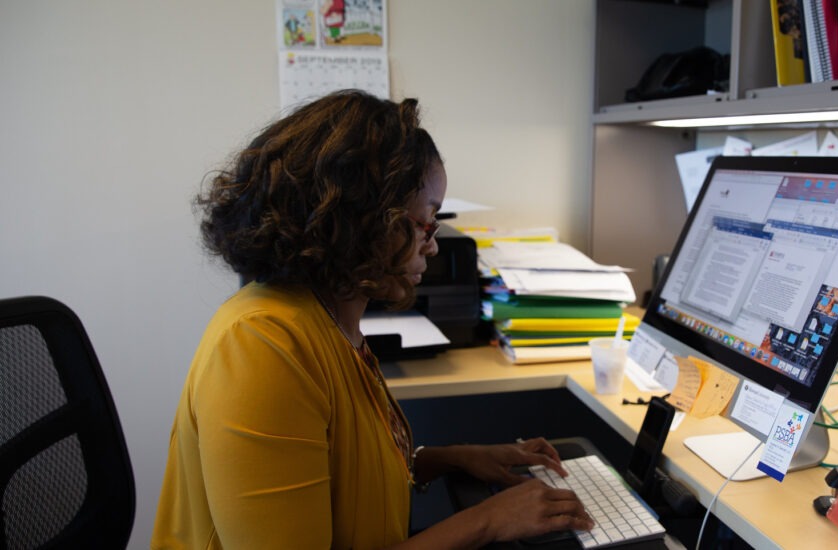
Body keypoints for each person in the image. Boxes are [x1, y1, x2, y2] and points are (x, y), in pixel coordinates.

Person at [152, 89, 593, 549]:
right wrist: (487, 521)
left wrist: (453, 458)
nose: (433, 244)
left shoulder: (329, 319)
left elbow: (341, 468)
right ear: (365, 221)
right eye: (426, 222)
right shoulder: (262, 346)